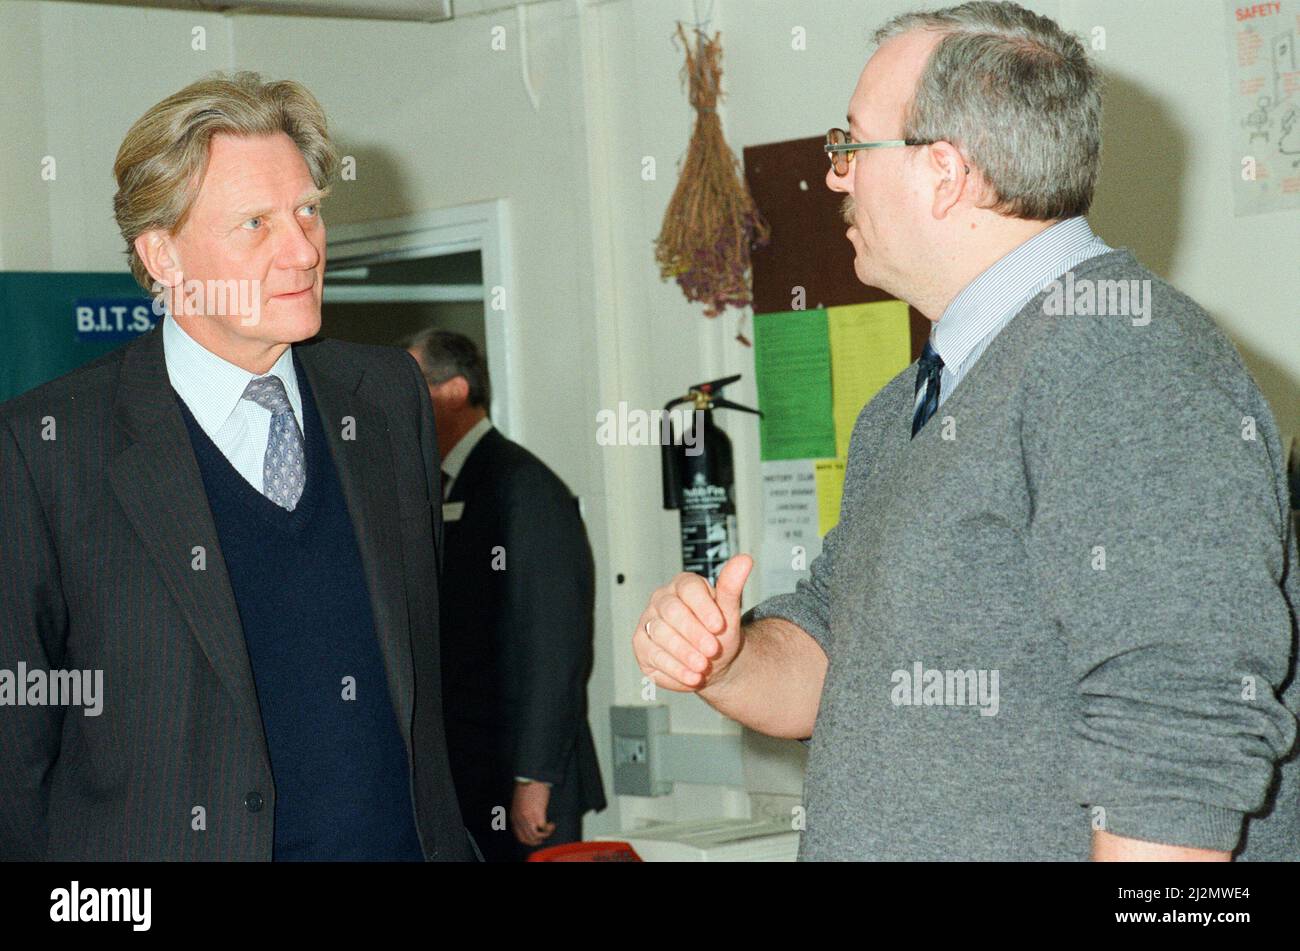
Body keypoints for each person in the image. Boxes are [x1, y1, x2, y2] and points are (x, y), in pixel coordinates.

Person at [632, 1, 1300, 861]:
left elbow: (1180, 719)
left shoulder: (1127, 358)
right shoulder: (905, 406)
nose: (835, 177)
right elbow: (832, 657)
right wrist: (725, 658)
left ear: (944, 173)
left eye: (851, 147)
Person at [0, 72, 476, 861]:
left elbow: (420, 683)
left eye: (308, 210)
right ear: (162, 255)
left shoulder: (386, 396)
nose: (303, 249)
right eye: (255, 222)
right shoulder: (45, 447)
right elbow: (13, 767)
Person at [407, 329, 606, 861]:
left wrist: (533, 778)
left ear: (451, 392)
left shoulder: (521, 485)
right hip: (470, 771)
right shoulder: (444, 484)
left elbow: (556, 644)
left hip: (524, 782)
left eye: (412, 387)